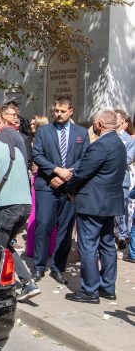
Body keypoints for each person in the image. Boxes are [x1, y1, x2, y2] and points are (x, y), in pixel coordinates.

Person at [65, 110, 126, 303]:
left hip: (92, 203)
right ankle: (107, 286)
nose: (93, 126)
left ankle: (90, 290)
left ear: (99, 124)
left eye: (94, 123)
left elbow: (82, 172)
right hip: (109, 202)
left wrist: (70, 188)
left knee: (88, 246)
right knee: (107, 244)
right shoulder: (118, 143)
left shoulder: (101, 145)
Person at [0, 123, 39, 301]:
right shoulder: (15, 151)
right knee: (5, 245)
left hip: (7, 207)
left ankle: (8, 285)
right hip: (26, 205)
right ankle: (26, 283)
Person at [31, 96, 89, 284]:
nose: (58, 114)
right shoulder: (44, 131)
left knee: (65, 229)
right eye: (56, 110)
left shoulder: (81, 132)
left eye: (62, 111)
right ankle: (39, 266)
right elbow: (37, 155)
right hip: (47, 185)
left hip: (69, 187)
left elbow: (85, 157)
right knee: (44, 224)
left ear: (71, 111)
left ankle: (58, 267)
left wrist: (67, 174)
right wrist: (56, 171)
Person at [25, 115, 57, 257]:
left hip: (41, 176)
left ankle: (42, 247)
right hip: (37, 176)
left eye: (34, 124)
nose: (31, 126)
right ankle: (36, 248)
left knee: (41, 214)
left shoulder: (39, 140)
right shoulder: (32, 140)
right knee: (36, 213)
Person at [113, 109, 135, 250]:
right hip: (109, 179)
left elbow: (127, 159)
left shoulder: (129, 140)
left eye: (116, 118)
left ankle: (122, 235)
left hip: (122, 179)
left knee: (122, 207)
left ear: (122, 121)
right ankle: (114, 233)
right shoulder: (109, 136)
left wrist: (109, 161)